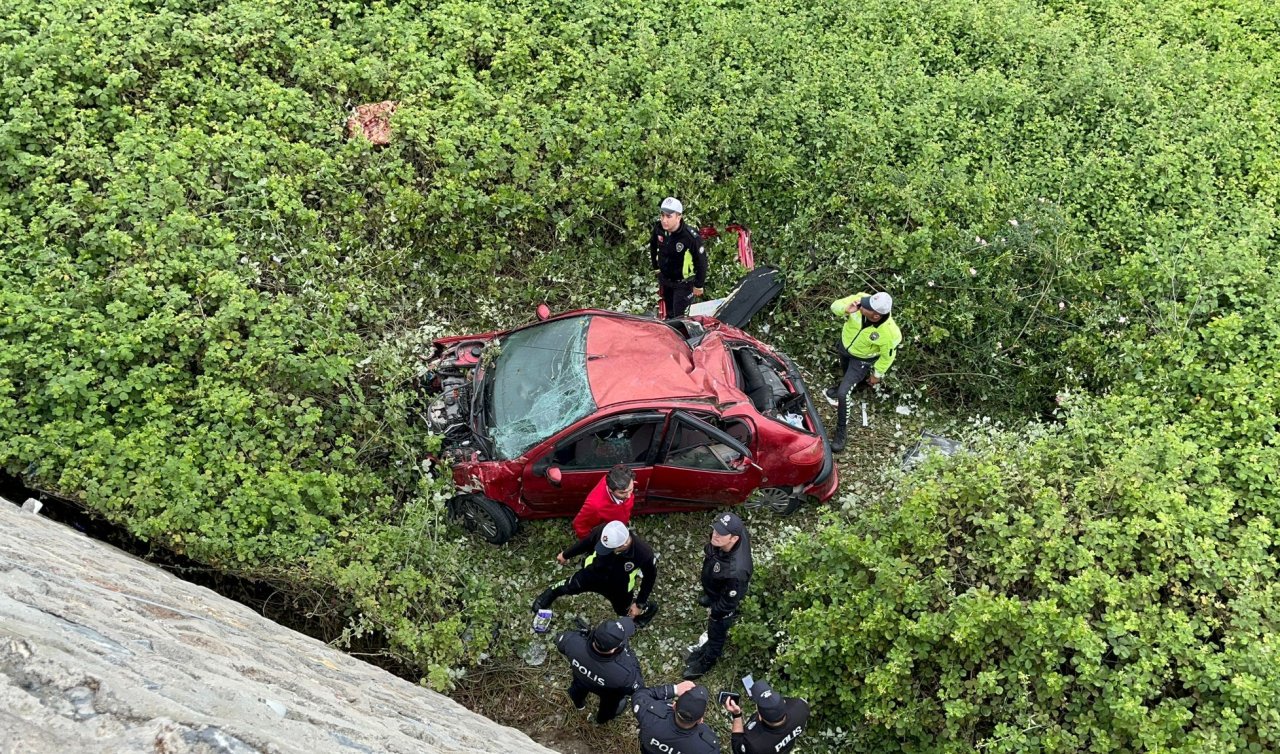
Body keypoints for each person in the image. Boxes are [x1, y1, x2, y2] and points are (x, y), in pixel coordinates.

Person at [531, 520, 660, 626]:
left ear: (624, 544)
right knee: (569, 586)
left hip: (620, 586)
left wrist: (639, 603)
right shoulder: (604, 531)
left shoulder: (644, 553)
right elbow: (586, 543)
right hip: (593, 572)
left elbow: (649, 578)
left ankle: (642, 612)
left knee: (623, 610)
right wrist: (566, 554)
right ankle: (549, 593)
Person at [825, 290, 903, 452]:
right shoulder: (858, 300)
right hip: (845, 348)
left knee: (843, 394)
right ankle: (848, 385)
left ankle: (841, 431)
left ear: (875, 316)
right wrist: (846, 309)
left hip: (861, 360)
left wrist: (877, 375)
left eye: (866, 306)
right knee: (846, 377)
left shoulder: (890, 333)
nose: (861, 303)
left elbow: (887, 357)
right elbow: (834, 306)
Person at [683, 512, 752, 679]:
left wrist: (715, 613)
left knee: (716, 631)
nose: (715, 535)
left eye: (721, 534)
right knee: (713, 588)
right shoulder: (726, 538)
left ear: (734, 539)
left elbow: (728, 603)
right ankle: (710, 595)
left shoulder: (736, 572)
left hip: (724, 600)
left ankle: (708, 659)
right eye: (715, 530)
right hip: (716, 581)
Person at [555, 616, 644, 724]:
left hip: (581, 679)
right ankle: (600, 721)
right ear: (614, 649)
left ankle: (579, 706)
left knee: (576, 692)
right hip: (607, 691)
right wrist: (628, 653)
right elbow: (637, 686)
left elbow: (560, 643)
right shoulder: (624, 674)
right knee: (609, 708)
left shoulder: (572, 642)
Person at [649, 196, 708, 319]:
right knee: (670, 314)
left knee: (680, 318)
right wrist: (656, 268)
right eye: (662, 215)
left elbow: (701, 261)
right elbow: (653, 246)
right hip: (665, 280)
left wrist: (698, 285)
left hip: (684, 284)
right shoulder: (659, 229)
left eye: (669, 216)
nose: (664, 220)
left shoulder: (690, 237)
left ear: (678, 217)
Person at [725, 679, 810, 754]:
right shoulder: (800, 707)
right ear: (783, 702)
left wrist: (737, 715)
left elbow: (737, 746)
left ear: (760, 717)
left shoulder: (753, 745)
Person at [633, 681, 719, 754]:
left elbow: (639, 695)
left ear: (674, 706)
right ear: (700, 720)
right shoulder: (708, 747)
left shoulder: (650, 716)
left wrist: (674, 689)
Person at [571, 465, 636, 540]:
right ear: (610, 490)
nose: (628, 496)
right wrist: (591, 542)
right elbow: (579, 524)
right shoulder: (595, 506)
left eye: (631, 489)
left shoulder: (618, 477)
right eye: (622, 493)